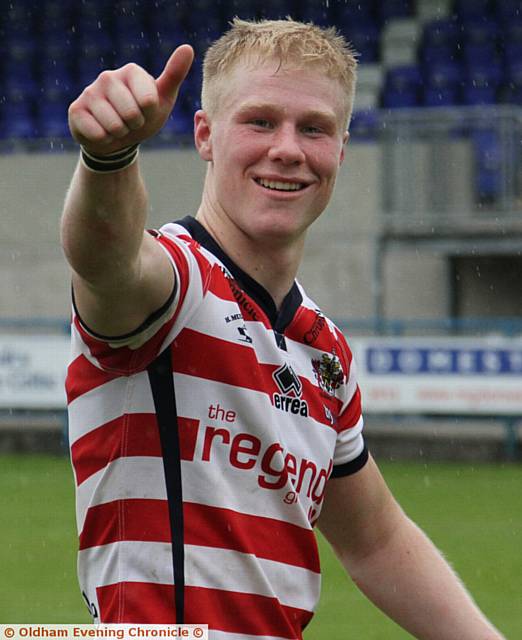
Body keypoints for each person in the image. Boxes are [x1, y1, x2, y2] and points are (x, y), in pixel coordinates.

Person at [62, 17, 505, 639]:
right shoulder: (177, 283)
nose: (289, 149)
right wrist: (109, 158)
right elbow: (105, 258)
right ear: (205, 135)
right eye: (261, 121)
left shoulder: (323, 350)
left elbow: (377, 541)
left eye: (315, 129)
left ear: (341, 152)